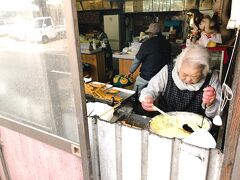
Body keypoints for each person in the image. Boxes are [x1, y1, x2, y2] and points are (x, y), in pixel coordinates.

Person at [139, 45, 221, 119]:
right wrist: (147, 98)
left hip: (197, 129)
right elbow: (150, 89)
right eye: (184, 74)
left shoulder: (211, 77)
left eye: (195, 76)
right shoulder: (168, 71)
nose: (188, 80)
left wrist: (211, 104)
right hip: (166, 122)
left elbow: (216, 114)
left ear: (204, 72)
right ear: (179, 65)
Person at [128, 23, 171, 94]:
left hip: (147, 76)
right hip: (162, 77)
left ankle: (135, 100)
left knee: (135, 91)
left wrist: (131, 71)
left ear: (151, 33)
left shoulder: (147, 44)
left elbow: (137, 60)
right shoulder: (167, 43)